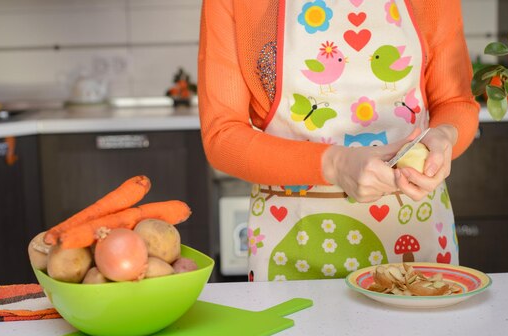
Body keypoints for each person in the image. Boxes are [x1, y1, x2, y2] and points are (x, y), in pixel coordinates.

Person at [198, 0, 479, 281]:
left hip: (415, 240)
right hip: (293, 247)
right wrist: (335, 163)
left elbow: (455, 102)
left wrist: (445, 136)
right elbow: (223, 137)